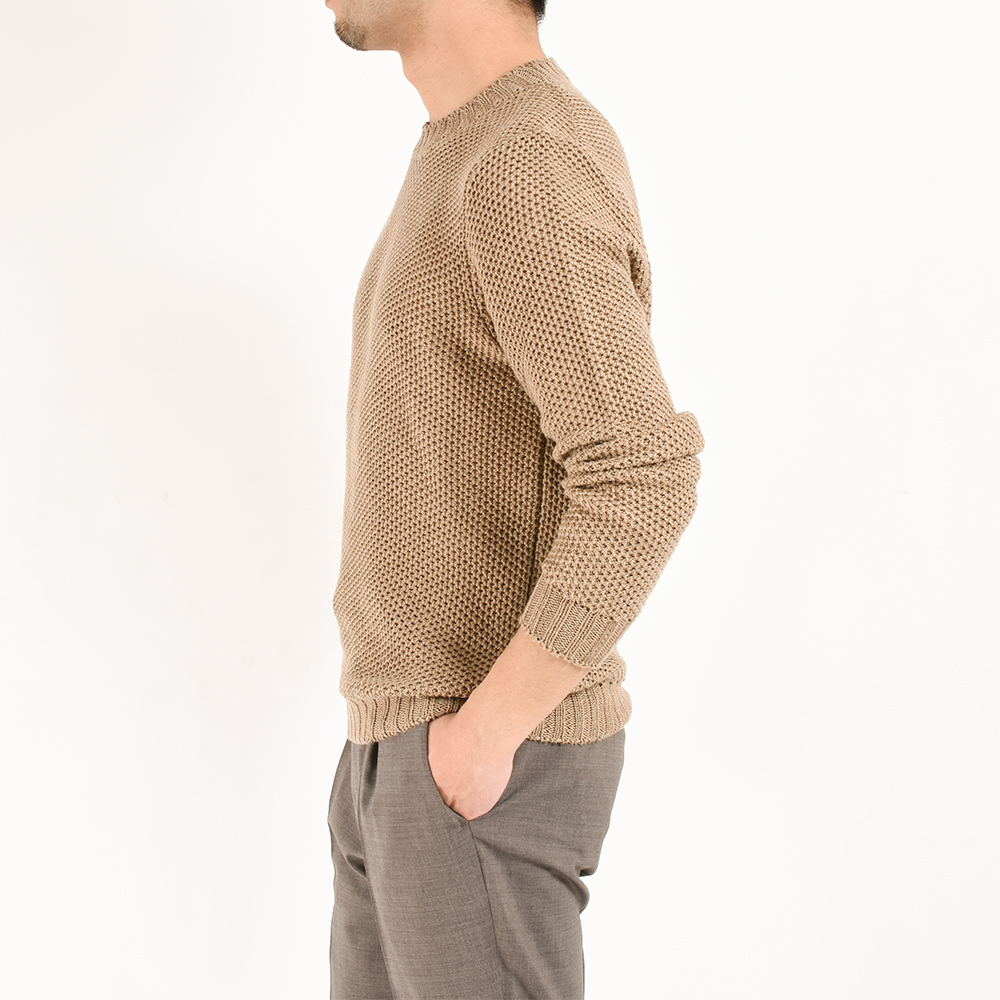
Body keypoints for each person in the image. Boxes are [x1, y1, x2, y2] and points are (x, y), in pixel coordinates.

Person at [322, 1, 706, 996]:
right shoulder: (464, 150)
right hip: (406, 749)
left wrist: (482, 736)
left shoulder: (523, 157)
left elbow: (642, 474)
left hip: (478, 762)